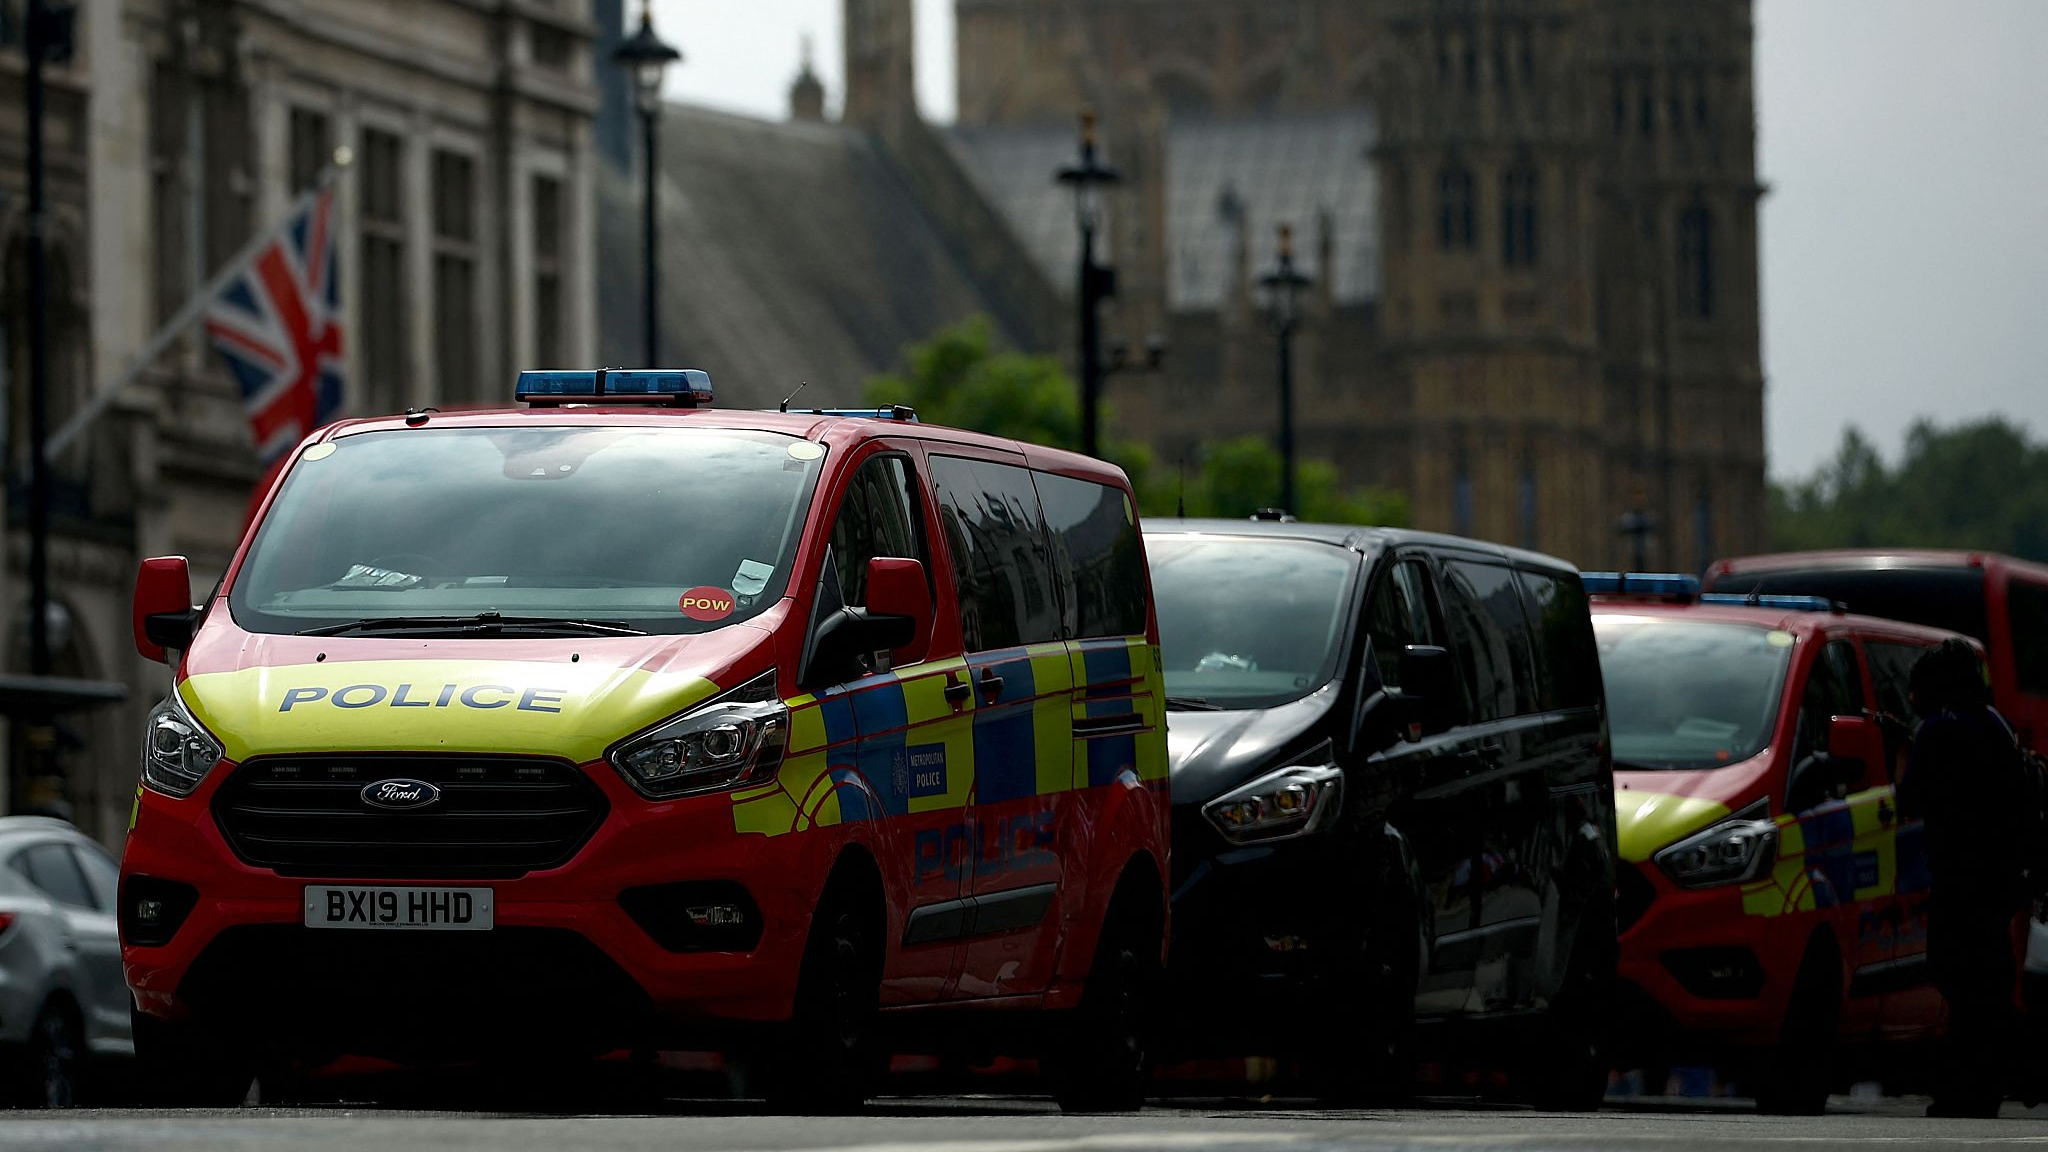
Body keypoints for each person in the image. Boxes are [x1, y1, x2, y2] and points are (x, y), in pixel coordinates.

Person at [1897, 637, 2028, 1118]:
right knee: (1986, 983)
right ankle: (1982, 1087)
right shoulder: (1995, 724)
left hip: (1960, 880)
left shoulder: (1939, 730)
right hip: (1999, 879)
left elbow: (1909, 798)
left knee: (1956, 976)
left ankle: (2008, 1071)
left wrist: (1904, 750)